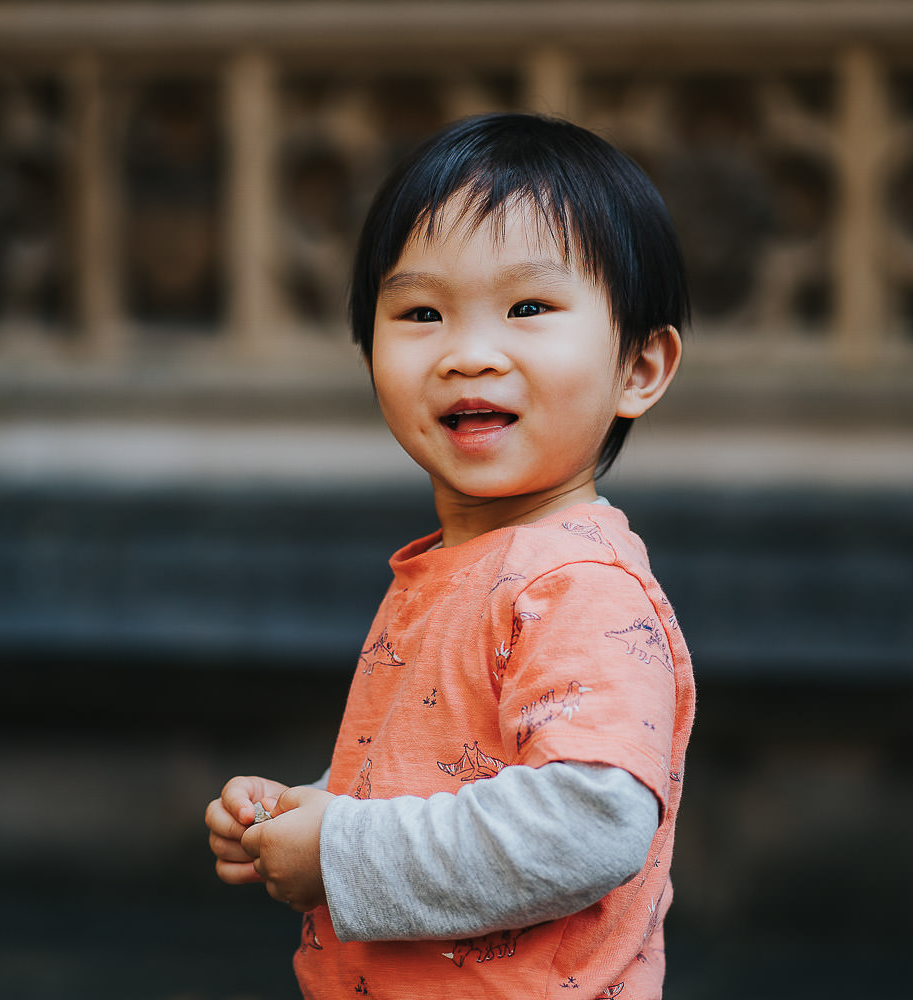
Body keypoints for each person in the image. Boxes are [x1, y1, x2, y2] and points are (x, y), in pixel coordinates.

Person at [204, 112, 695, 999]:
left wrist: (339, 849)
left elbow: (588, 822)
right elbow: (445, 769)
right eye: (421, 312)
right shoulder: (461, 566)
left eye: (530, 308)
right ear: (369, 356)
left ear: (640, 367)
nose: (469, 354)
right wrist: (305, 811)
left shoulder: (577, 586)